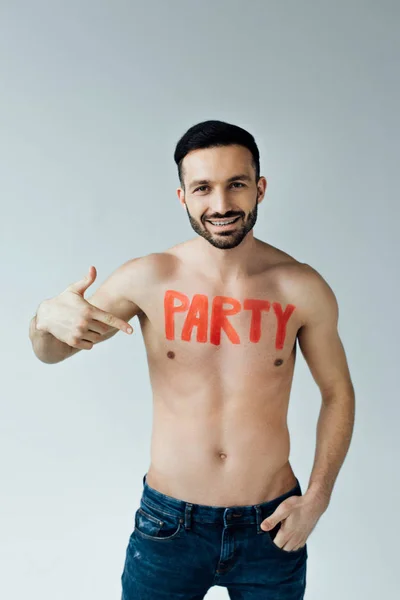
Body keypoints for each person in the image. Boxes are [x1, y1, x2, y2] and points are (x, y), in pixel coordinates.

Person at [29, 120, 355, 599]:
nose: (221, 205)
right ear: (183, 196)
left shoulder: (301, 287)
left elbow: (338, 393)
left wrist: (318, 500)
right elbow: (50, 352)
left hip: (272, 526)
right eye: (203, 188)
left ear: (259, 188)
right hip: (169, 526)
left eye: (236, 185)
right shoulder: (149, 277)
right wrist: (44, 318)